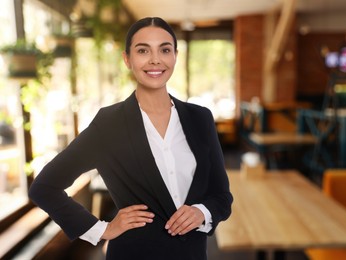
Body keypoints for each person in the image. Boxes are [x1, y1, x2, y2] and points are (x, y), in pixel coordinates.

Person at [29, 17, 233, 260]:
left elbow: (221, 197)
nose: (155, 59)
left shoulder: (200, 118)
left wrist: (202, 211)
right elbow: (44, 187)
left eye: (165, 50)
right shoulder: (109, 124)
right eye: (143, 50)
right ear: (127, 59)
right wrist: (103, 229)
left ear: (175, 56)